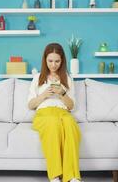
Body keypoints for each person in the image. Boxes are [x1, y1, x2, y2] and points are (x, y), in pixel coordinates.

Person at [28, 43, 82, 182]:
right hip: (44, 114)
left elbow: (71, 107)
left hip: (63, 113)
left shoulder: (67, 78)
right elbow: (30, 105)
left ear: (62, 60)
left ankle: (72, 176)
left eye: (57, 61)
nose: (53, 65)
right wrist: (44, 95)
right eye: (50, 61)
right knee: (53, 124)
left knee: (70, 125)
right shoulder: (38, 78)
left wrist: (62, 94)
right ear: (45, 60)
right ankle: (55, 176)